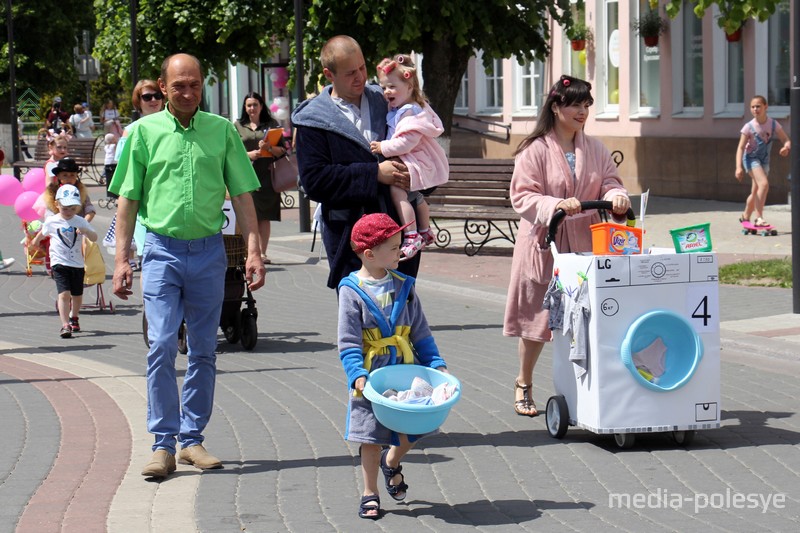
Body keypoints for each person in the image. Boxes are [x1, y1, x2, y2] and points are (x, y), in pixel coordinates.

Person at [110, 53, 265, 479]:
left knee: (203, 349)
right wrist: (122, 258)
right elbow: (128, 200)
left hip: (209, 253)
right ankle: (162, 444)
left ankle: (192, 439)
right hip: (161, 251)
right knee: (160, 345)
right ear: (163, 87)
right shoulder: (142, 133)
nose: (187, 92)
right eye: (179, 85)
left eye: (194, 84)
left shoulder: (221, 132)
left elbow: (244, 196)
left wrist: (254, 251)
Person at [503, 75, 630, 417]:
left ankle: (587, 389)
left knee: (587, 320)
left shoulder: (595, 149)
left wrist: (615, 195)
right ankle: (524, 382)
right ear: (556, 107)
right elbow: (523, 195)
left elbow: (610, 181)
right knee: (538, 321)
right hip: (546, 246)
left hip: (586, 247)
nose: (582, 111)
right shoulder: (535, 150)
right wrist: (554, 205)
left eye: (587, 104)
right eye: (575, 104)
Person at [337, 213, 447, 520]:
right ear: (369, 254)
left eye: (400, 244)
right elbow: (347, 341)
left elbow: (421, 333)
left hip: (404, 370)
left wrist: (436, 364)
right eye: (394, 247)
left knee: (414, 427)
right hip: (371, 376)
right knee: (370, 437)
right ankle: (369, 491)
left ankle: (392, 461)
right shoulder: (351, 290)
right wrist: (357, 374)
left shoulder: (405, 286)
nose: (401, 251)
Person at [292, 35, 419, 290]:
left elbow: (422, 146)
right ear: (329, 74)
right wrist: (374, 173)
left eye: (362, 68)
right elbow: (315, 181)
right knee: (357, 317)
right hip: (348, 235)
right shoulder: (313, 119)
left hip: (395, 230)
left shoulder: (388, 99)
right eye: (350, 72)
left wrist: (415, 175)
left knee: (401, 316)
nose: (360, 77)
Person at [369, 54, 448, 260]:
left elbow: (406, 143)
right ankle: (424, 230)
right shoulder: (401, 108)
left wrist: (382, 147)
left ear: (410, 86)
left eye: (392, 87)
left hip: (413, 160)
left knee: (398, 193)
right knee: (417, 197)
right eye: (384, 87)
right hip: (413, 160)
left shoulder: (409, 113)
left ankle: (411, 235)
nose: (387, 92)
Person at [31, 184, 98, 338]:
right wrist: (35, 241)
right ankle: (65, 324)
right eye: (65, 208)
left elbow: (95, 238)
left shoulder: (80, 221)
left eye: (72, 208)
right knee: (64, 294)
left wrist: (86, 231)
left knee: (77, 294)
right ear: (57, 204)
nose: (68, 212)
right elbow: (43, 232)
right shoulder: (52, 221)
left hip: (77, 264)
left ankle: (75, 317)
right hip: (59, 263)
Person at [234, 92, 286, 264]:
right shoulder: (237, 125)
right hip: (245, 174)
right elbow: (232, 151)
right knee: (248, 214)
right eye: (248, 105)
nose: (252, 108)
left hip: (266, 174)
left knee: (264, 214)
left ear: (261, 106)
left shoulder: (271, 125)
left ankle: (262, 253)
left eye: (255, 104)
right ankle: (249, 251)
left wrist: (269, 148)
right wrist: (249, 154)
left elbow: (282, 151)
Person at [735, 95, 791, 227]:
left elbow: (786, 139)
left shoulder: (772, 124)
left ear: (765, 107)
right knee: (764, 185)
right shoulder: (748, 127)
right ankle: (758, 218)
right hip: (750, 159)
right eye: (753, 107)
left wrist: (786, 147)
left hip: (764, 161)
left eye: (758, 106)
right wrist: (738, 167)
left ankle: (745, 216)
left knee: (755, 192)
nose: (755, 109)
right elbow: (741, 147)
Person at [38, 157, 96, 223]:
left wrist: (84, 223)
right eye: (65, 175)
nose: (69, 178)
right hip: (58, 228)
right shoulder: (53, 192)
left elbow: (90, 209)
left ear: (76, 175)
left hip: (78, 227)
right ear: (58, 176)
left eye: (72, 175)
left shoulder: (80, 191)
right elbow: (49, 214)